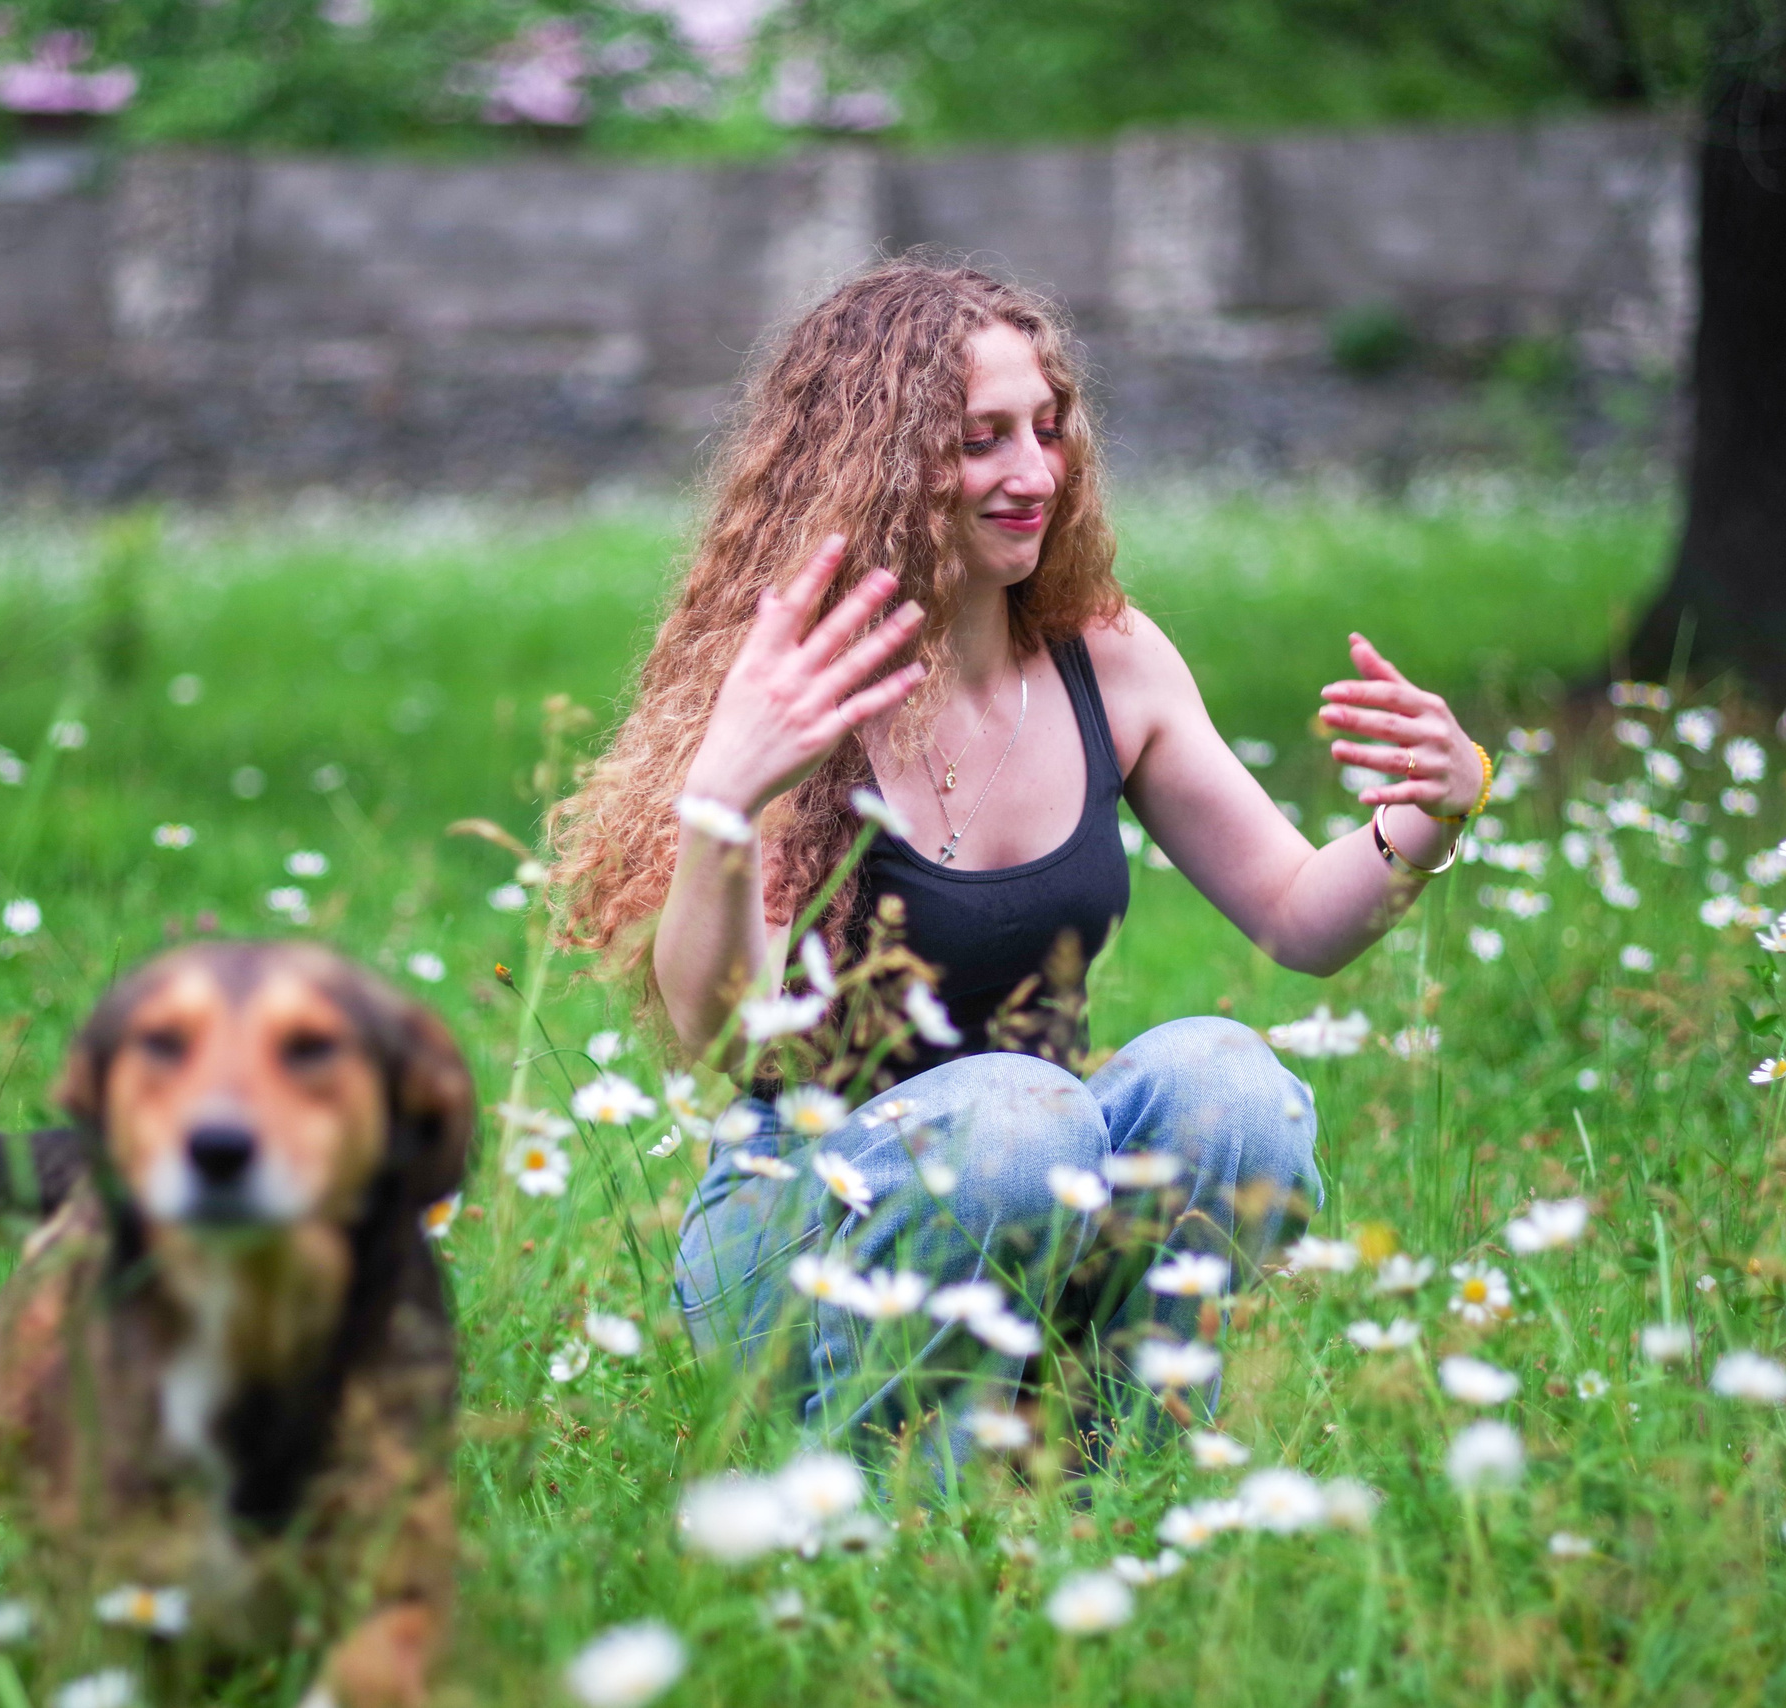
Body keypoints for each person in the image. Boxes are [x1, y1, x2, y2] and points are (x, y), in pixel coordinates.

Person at [550, 259, 1488, 1454]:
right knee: (1015, 1113)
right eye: (980, 439)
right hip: (808, 1229)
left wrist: (1431, 812)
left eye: (1046, 429)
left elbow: (1302, 918)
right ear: (876, 457)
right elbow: (722, 1038)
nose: (1033, 473)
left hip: (1035, 1181)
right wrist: (726, 797)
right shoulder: (802, 685)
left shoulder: (1109, 659)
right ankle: (905, 1511)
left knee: (1227, 1079)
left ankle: (1128, 1483)